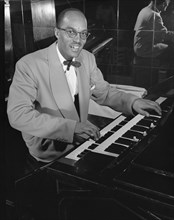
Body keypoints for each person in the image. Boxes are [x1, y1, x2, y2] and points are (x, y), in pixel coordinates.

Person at [7, 8, 161, 164]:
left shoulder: (87, 58)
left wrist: (132, 102)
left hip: (81, 144)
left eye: (83, 34)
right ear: (57, 33)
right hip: (48, 155)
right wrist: (71, 129)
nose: (78, 40)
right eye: (71, 32)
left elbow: (104, 93)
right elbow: (18, 115)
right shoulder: (28, 65)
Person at [134, 0, 174, 64]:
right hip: (146, 49)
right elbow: (164, 35)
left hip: (139, 47)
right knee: (172, 50)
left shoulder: (144, 10)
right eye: (167, 5)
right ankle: (165, 72)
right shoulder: (154, 15)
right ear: (164, 3)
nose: (166, 8)